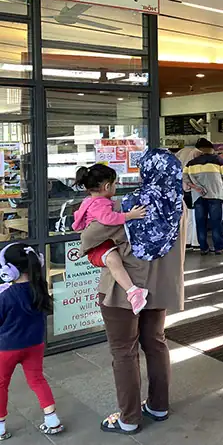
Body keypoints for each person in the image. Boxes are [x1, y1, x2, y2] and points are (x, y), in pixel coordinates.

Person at [81, 150, 185, 435]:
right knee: (156, 343)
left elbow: (90, 236)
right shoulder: (178, 204)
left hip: (124, 291)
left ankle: (129, 418)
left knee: (124, 352)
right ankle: (159, 406)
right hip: (159, 289)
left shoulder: (131, 203)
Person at [0, 244, 64, 439]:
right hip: (35, 344)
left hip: (7, 347)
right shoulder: (40, 289)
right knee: (37, 380)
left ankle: (0, 427)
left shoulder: (5, 296)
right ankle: (52, 419)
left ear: (9, 270)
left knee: (1, 383)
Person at [72, 164, 149, 313]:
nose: (116, 186)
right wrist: (129, 216)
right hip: (99, 248)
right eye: (115, 183)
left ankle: (133, 291)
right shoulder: (100, 203)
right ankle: (132, 291)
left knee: (114, 262)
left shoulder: (89, 200)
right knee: (114, 262)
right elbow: (108, 219)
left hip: (100, 245)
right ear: (107, 186)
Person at [183, 138, 223, 255]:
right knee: (216, 223)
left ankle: (203, 248)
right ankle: (219, 247)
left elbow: (185, 178)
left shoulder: (191, 163)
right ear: (211, 149)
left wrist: (195, 187)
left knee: (200, 223)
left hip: (198, 197)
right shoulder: (219, 161)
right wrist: (218, 185)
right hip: (215, 195)